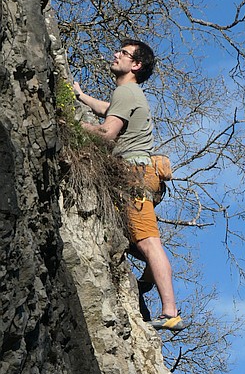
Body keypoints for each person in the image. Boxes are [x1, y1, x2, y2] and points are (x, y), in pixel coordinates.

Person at [73, 40, 184, 333]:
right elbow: (110, 110)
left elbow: (108, 133)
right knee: (139, 240)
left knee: (149, 242)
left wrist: (74, 125)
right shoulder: (129, 95)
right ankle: (147, 282)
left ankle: (170, 311)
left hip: (133, 176)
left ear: (135, 65)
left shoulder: (126, 90)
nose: (116, 54)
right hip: (138, 176)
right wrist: (82, 97)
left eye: (123, 53)